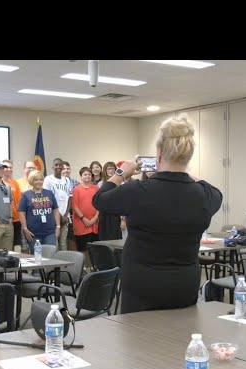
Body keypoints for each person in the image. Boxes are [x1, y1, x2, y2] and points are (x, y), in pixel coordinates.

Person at [92, 115, 222, 314]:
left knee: (139, 341)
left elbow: (99, 199)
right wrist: (183, 170)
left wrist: (121, 172)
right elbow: (212, 189)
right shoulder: (205, 195)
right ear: (189, 156)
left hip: (142, 285)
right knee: (179, 338)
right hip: (184, 284)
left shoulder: (138, 191)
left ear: (159, 154)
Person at [18, 171, 60, 253]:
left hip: (50, 233)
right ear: (31, 181)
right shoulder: (26, 195)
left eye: (41, 179)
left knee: (50, 257)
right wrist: (25, 229)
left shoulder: (49, 193)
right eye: (36, 180)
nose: (39, 182)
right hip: (33, 234)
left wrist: (58, 227)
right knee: (37, 258)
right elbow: (21, 213)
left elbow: (55, 210)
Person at [71, 167, 99, 267]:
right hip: (81, 224)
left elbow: (99, 204)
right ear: (81, 176)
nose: (87, 176)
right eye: (85, 174)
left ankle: (93, 267)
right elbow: (74, 206)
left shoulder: (96, 188)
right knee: (82, 248)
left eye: (89, 174)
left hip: (94, 223)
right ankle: (83, 268)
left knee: (94, 248)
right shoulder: (76, 189)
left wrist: (95, 218)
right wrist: (83, 218)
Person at [43, 158, 71, 251]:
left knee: (63, 244)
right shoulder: (48, 179)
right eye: (56, 165)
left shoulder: (67, 180)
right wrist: (58, 216)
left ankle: (65, 265)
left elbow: (70, 198)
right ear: (52, 167)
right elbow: (48, 199)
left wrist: (66, 214)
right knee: (54, 244)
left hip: (65, 217)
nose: (58, 166)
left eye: (60, 165)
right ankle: (55, 265)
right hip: (52, 217)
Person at [97, 161, 122, 240]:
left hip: (115, 213)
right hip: (104, 214)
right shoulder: (100, 184)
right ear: (105, 171)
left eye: (112, 169)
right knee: (104, 238)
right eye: (108, 169)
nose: (111, 171)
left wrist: (123, 219)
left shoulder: (120, 182)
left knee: (115, 237)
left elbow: (122, 201)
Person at [2, 160, 22, 251]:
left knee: (17, 244)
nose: (9, 169)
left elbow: (19, 201)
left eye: (10, 167)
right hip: (3, 219)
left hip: (16, 219)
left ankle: (18, 262)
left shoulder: (15, 183)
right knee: (5, 245)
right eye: (6, 167)